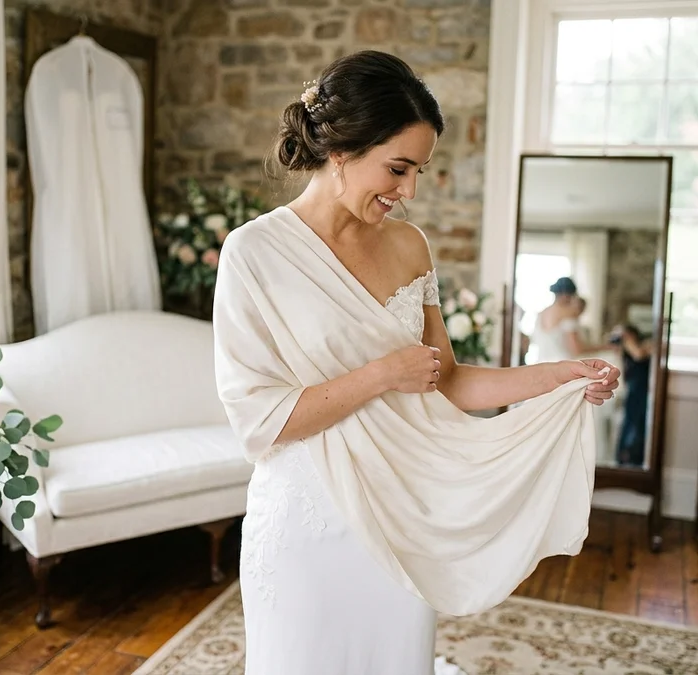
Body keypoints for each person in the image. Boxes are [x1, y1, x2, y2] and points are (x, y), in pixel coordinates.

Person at [211, 51, 621, 674]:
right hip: (307, 521)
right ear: (341, 150)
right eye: (398, 168)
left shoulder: (409, 246)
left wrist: (560, 376)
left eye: (419, 171)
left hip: (403, 517)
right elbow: (258, 423)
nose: (409, 191)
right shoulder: (254, 253)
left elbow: (448, 380)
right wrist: (381, 375)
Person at [527, 278, 609, 363]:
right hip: (563, 366)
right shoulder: (568, 316)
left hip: (541, 365)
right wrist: (605, 347)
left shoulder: (540, 315)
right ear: (567, 295)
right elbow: (577, 350)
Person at [613, 324, 653, 467]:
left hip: (641, 389)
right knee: (630, 422)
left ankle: (634, 456)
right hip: (633, 389)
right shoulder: (624, 349)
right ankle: (625, 456)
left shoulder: (644, 344)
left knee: (638, 422)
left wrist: (625, 340)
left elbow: (639, 354)